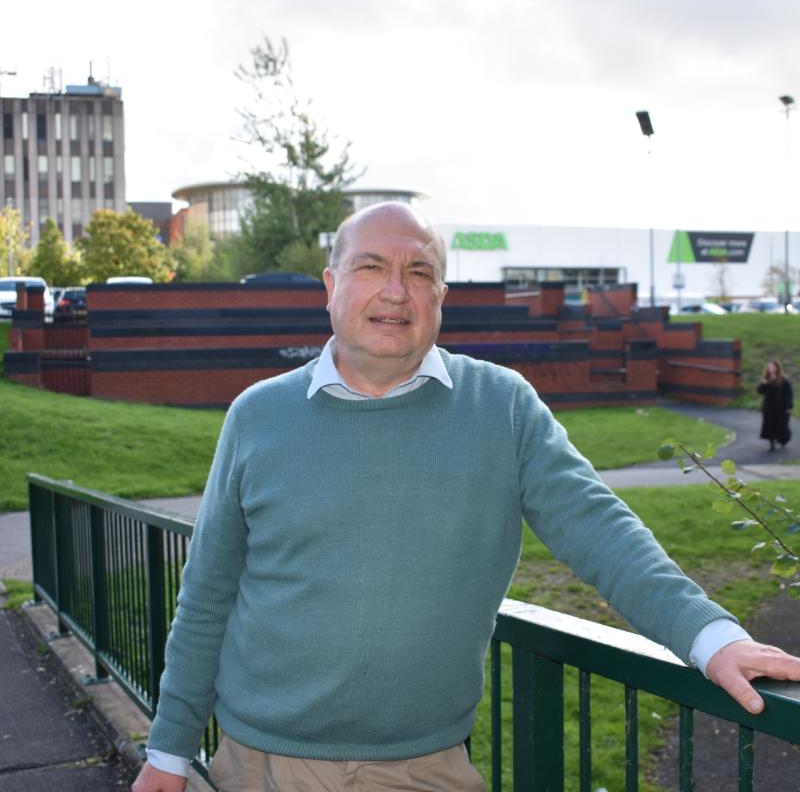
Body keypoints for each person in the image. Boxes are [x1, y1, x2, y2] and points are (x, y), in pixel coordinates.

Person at [133, 203, 800, 792]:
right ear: (332, 288)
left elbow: (601, 530)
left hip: (425, 768)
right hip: (260, 766)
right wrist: (167, 748)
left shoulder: (502, 408)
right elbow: (208, 596)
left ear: (440, 296)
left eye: (419, 272)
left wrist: (710, 637)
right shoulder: (257, 416)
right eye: (371, 267)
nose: (396, 290)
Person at [757, 360, 793, 450]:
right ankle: (771, 444)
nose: (771, 368)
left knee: (782, 425)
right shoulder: (766, 379)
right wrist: (764, 384)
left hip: (781, 407)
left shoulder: (783, 380)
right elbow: (760, 391)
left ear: (777, 368)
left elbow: (789, 394)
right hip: (769, 407)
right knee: (770, 425)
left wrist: (789, 406)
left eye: (772, 367)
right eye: (769, 367)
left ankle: (783, 440)